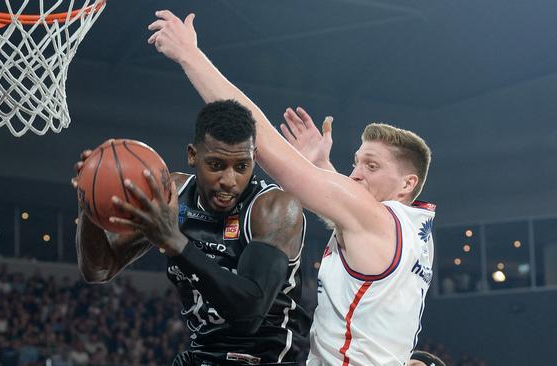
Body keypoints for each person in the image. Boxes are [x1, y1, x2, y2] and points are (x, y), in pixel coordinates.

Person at [148, 10, 436, 366]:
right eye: (356, 162)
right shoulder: (418, 231)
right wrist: (321, 166)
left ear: (407, 184)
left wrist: (190, 56)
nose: (356, 174)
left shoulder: (373, 217)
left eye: (372, 166)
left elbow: (264, 143)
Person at [73, 100, 311, 365]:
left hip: (264, 358)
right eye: (216, 165)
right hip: (202, 355)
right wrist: (90, 204)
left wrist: (176, 242)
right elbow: (99, 269)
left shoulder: (275, 208)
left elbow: (249, 315)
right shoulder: (171, 195)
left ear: (254, 157)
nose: (229, 180)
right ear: (192, 155)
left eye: (241, 166)